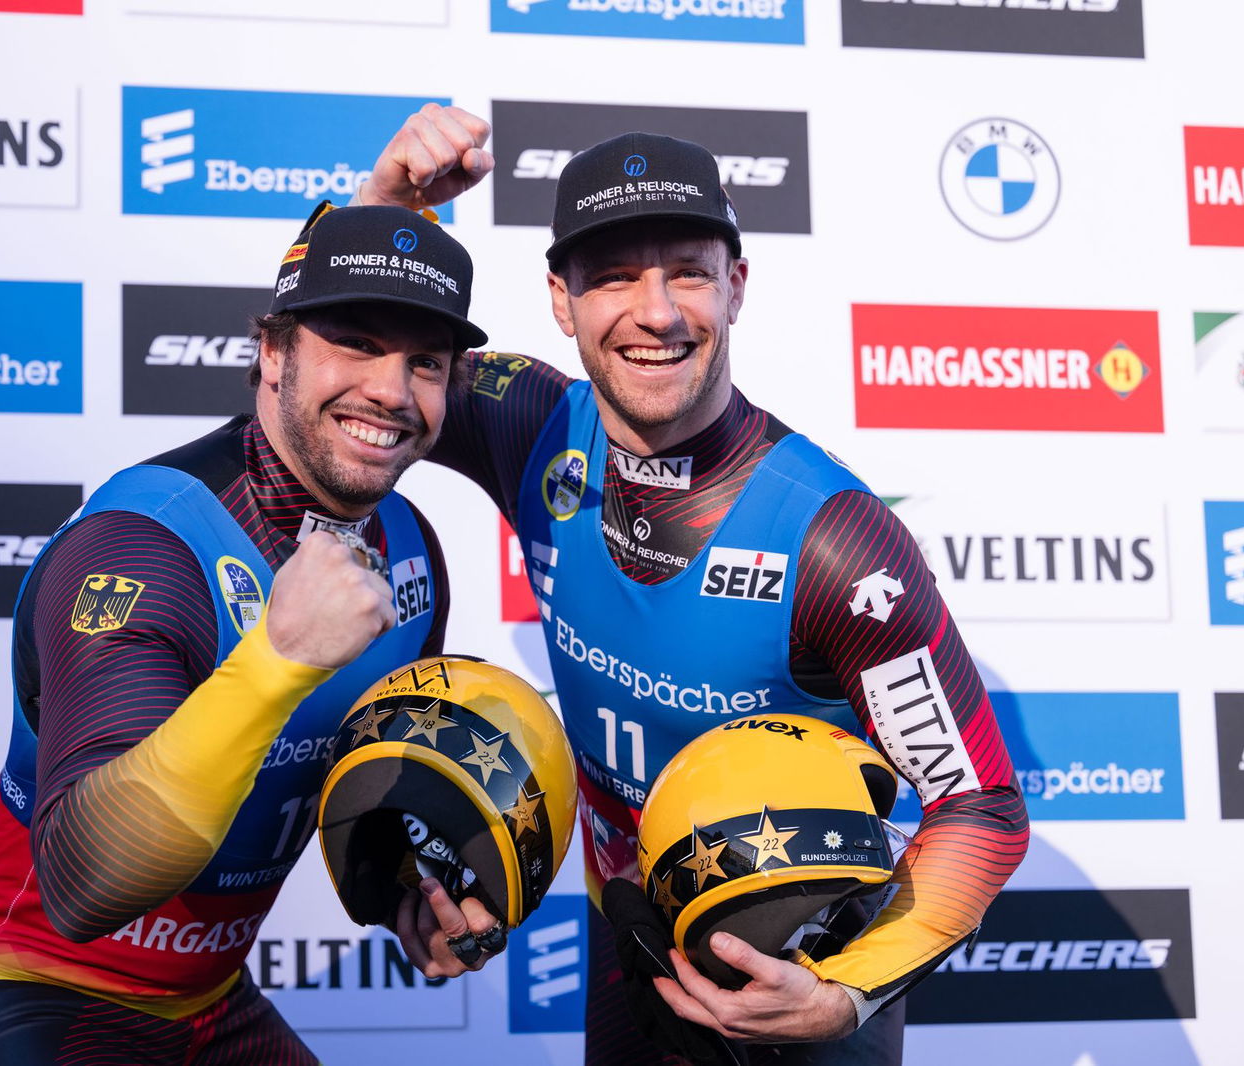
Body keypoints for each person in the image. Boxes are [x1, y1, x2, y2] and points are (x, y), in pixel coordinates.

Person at [355, 106, 1030, 1064]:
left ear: (737, 286)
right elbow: (348, 364)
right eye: (615, 277)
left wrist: (841, 996)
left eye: (688, 273)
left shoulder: (834, 539)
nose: (658, 312)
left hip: (797, 978)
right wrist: (385, 209)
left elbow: (982, 808)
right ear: (560, 298)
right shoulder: (528, 422)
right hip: (625, 947)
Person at [0, 202, 503, 1064]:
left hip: (210, 1000)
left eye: (425, 363)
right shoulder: (144, 546)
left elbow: (340, 776)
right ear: (272, 352)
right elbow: (84, 886)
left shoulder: (409, 551)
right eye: (356, 344)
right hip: (32, 992)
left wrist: (403, 891)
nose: (389, 389)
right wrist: (278, 659)